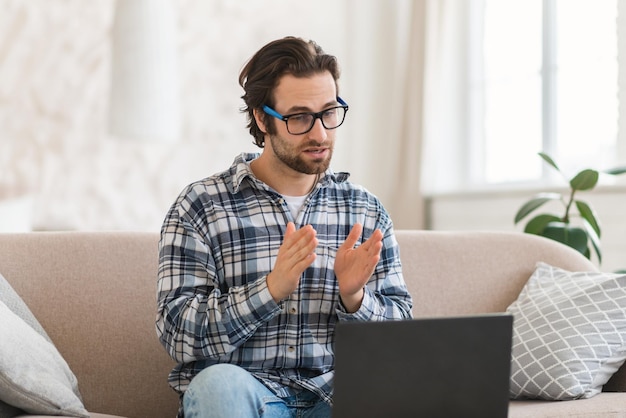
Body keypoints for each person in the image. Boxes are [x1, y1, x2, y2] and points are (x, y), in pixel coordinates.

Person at [156, 36, 413, 418]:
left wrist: (355, 299)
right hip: (245, 397)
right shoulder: (200, 206)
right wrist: (270, 290)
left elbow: (403, 339)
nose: (320, 133)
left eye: (329, 112)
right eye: (299, 118)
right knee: (216, 386)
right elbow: (179, 334)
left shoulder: (365, 210)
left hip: (336, 399)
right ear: (262, 119)